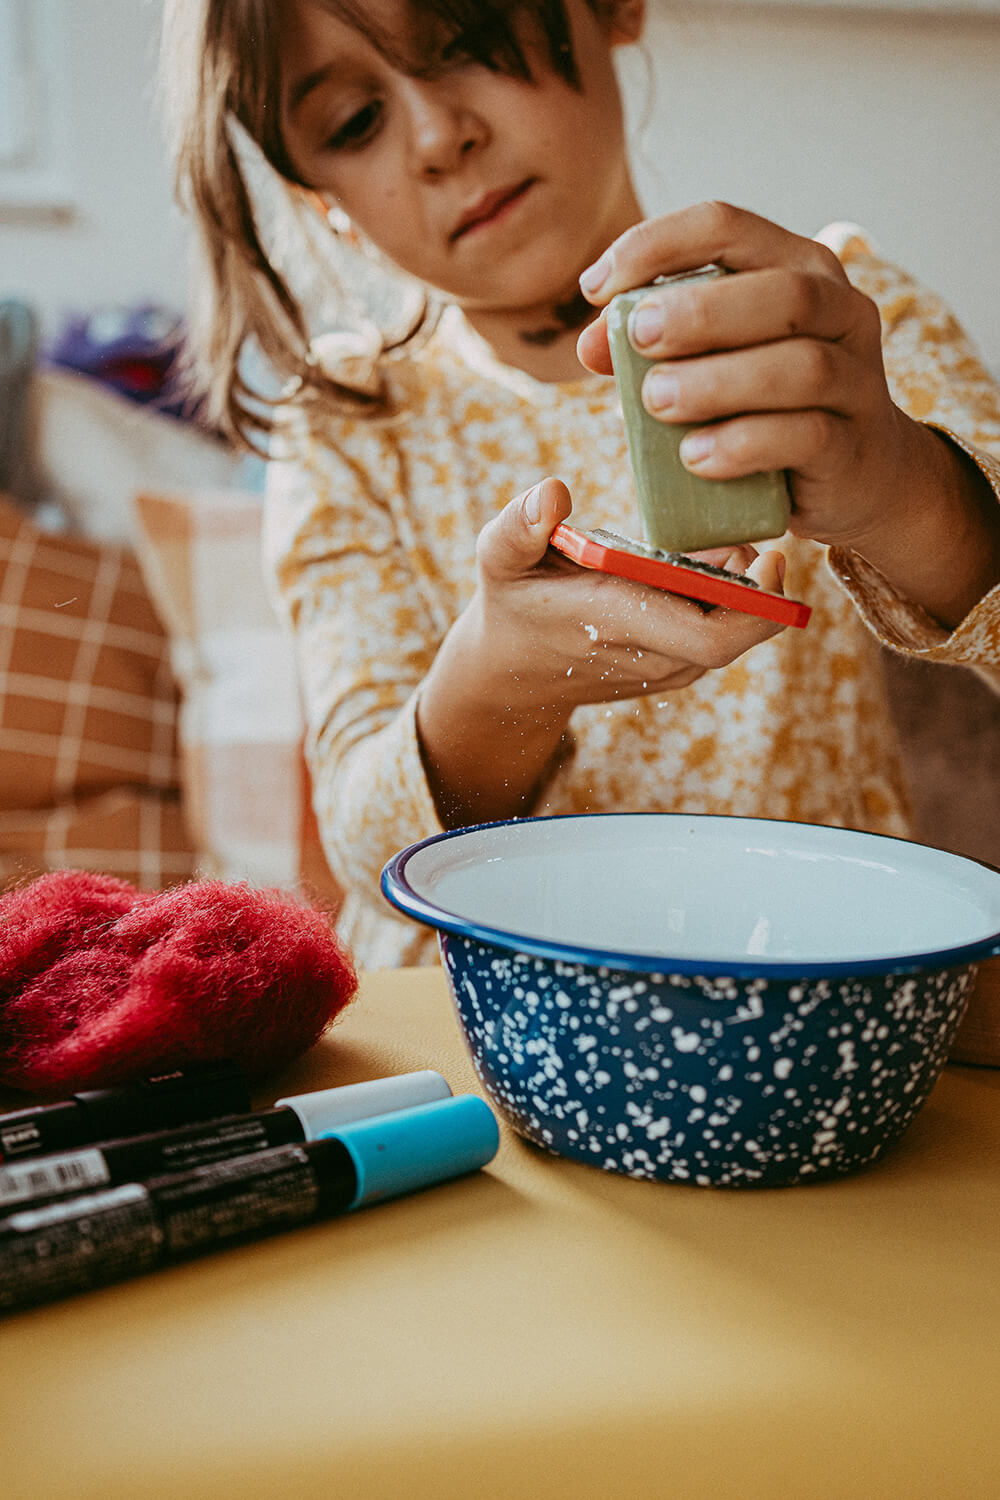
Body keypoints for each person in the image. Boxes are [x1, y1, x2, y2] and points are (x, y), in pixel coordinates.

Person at [162, 0, 1000, 970]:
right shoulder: (349, 422)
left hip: (807, 996)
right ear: (319, 199)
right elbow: (368, 850)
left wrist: (904, 490)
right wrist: (497, 681)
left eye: (463, 41)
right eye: (355, 122)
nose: (439, 137)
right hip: (482, 1039)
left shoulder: (835, 321)